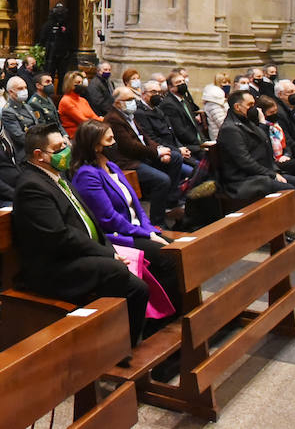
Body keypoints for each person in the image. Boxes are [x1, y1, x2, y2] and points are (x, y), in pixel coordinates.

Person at [12, 122, 150, 345]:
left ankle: (122, 344)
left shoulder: (57, 175)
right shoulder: (32, 187)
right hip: (53, 268)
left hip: (77, 254)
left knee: (138, 287)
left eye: (66, 144)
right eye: (59, 148)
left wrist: (108, 250)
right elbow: (60, 237)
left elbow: (90, 222)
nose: (66, 151)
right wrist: (108, 255)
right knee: (117, 272)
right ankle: (107, 346)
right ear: (39, 155)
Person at [68, 120, 181, 307]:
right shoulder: (87, 175)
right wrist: (146, 234)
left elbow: (137, 208)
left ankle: (179, 308)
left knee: (178, 250)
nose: (115, 143)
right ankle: (167, 317)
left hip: (137, 229)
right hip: (118, 236)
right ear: (96, 146)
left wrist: (150, 230)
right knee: (169, 257)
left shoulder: (112, 167)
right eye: (110, 139)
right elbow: (109, 218)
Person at [215, 90, 295, 225]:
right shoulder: (231, 129)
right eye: (250, 105)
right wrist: (272, 174)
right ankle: (282, 229)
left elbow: (265, 143)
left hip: (260, 174)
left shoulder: (247, 121)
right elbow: (245, 162)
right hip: (242, 180)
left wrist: (262, 122)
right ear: (237, 107)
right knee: (290, 188)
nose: (254, 108)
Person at [103, 86, 182, 224]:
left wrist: (160, 150)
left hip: (141, 156)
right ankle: (158, 222)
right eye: (128, 99)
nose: (132, 102)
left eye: (133, 99)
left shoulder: (129, 116)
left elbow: (145, 138)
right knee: (162, 180)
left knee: (175, 157)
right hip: (127, 161)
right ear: (117, 102)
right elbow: (130, 147)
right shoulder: (113, 119)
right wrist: (157, 153)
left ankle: (171, 203)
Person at [57, 71, 100, 139]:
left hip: (86, 131)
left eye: (81, 82)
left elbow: (94, 116)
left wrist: (105, 120)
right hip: (74, 135)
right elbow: (82, 120)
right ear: (69, 84)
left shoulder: (82, 100)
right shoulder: (66, 101)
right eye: (77, 83)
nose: (80, 85)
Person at [201, 73, 231, 140]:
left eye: (229, 82)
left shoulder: (223, 99)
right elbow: (221, 123)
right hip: (220, 136)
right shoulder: (213, 101)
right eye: (224, 82)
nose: (227, 84)